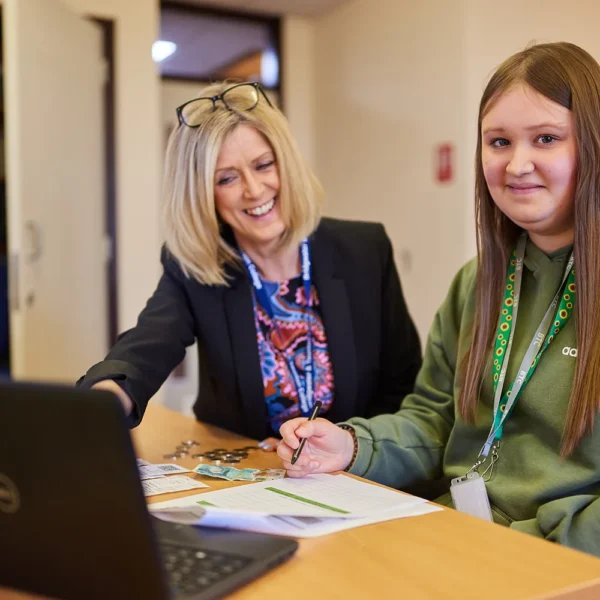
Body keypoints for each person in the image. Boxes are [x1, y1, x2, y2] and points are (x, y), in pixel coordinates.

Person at [277, 42, 600, 556]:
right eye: (498, 142)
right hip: (454, 536)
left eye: (546, 138)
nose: (517, 165)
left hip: (557, 561)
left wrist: (525, 543)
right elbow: (436, 420)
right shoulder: (478, 281)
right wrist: (353, 445)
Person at [77, 81, 422, 447]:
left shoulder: (365, 250)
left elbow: (404, 388)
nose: (254, 190)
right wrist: (105, 398)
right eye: (227, 178)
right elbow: (149, 344)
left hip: (357, 477)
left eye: (263, 165)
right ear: (204, 195)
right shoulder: (195, 267)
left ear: (285, 163)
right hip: (251, 476)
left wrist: (352, 448)